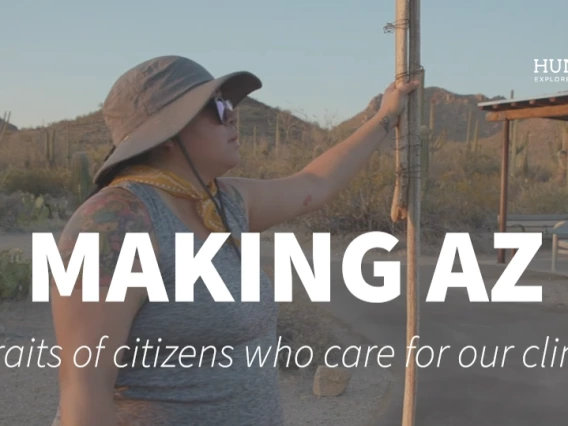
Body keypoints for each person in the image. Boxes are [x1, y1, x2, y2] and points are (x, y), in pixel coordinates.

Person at [49, 55, 419, 426]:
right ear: (166, 132)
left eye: (230, 104)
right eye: (216, 106)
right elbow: (85, 390)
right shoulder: (113, 222)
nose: (232, 115)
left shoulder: (225, 203)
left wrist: (386, 116)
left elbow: (315, 185)